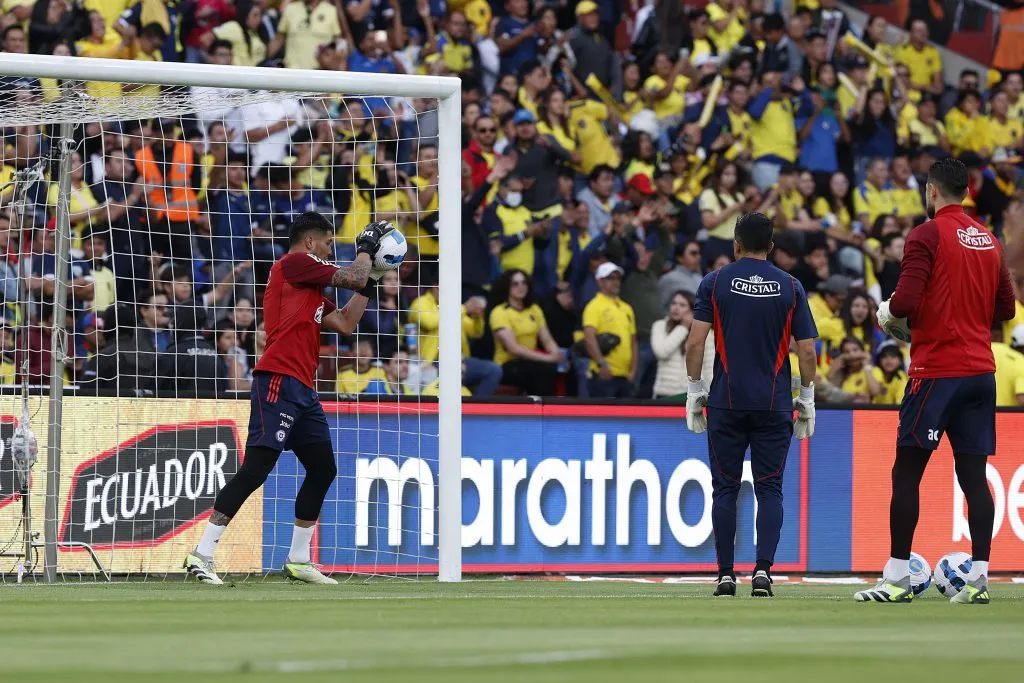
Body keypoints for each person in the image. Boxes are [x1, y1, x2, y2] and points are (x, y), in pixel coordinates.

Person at [184, 214, 392, 585]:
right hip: (278, 380)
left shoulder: (309, 287)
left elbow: (345, 323)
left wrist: (372, 280)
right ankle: (202, 554)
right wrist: (365, 252)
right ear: (310, 242)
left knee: (323, 468)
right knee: (256, 469)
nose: (332, 250)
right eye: (328, 243)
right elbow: (351, 275)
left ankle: (298, 559)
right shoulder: (294, 264)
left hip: (303, 389)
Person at [859, 159, 1016, 604]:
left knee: (906, 471)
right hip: (981, 373)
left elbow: (905, 299)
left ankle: (895, 580)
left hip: (936, 371)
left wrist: (893, 315)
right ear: (965, 191)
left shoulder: (925, 234)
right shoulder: (988, 238)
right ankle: (980, 579)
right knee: (972, 476)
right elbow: (1005, 309)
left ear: (931, 191)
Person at [685, 211, 818, 598]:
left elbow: (695, 343)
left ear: (735, 244)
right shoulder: (791, 287)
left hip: (726, 403)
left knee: (724, 490)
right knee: (770, 489)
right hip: (774, 404)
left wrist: (695, 390)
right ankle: (762, 572)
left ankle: (726, 574)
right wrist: (806, 397)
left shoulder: (715, 281)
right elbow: (807, 350)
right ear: (772, 247)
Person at [582, 262, 637, 398]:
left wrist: (633, 371)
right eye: (610, 278)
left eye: (617, 278)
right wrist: (601, 364)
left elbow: (633, 341)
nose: (615, 282)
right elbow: (589, 338)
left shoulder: (626, 308)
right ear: (599, 281)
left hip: (624, 376)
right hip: (605, 375)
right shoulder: (594, 306)